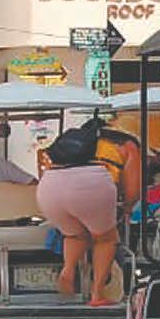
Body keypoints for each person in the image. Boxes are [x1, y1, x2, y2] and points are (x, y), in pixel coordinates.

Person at [38, 119, 124, 306]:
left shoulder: (67, 140)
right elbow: (132, 187)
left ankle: (68, 270)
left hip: (50, 185)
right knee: (105, 239)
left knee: (74, 234)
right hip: (90, 183)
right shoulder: (117, 145)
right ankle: (97, 294)